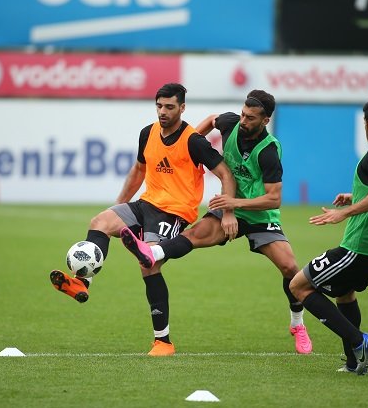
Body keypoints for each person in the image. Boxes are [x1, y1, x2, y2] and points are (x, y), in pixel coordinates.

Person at [49, 83, 237, 356]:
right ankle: (82, 282)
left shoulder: (194, 141)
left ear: (182, 108)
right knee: (100, 222)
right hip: (145, 204)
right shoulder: (148, 133)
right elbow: (138, 170)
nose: (163, 112)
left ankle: (163, 342)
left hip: (174, 212)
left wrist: (228, 212)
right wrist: (118, 206)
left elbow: (226, 175)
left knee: (149, 264)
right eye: (159, 106)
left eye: (169, 107)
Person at [119, 89, 313, 354]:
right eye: (242, 114)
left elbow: (273, 199)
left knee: (290, 267)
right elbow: (212, 119)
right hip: (229, 205)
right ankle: (153, 253)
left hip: (259, 214)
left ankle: (297, 325)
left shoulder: (269, 151)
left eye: (250, 118)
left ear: (265, 120)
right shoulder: (230, 123)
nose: (243, 121)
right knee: (194, 234)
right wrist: (187, 148)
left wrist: (233, 205)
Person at [289, 98, 368, 375]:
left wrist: (346, 212)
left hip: (359, 246)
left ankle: (360, 341)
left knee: (298, 286)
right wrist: (358, 197)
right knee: (345, 294)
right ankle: (354, 363)